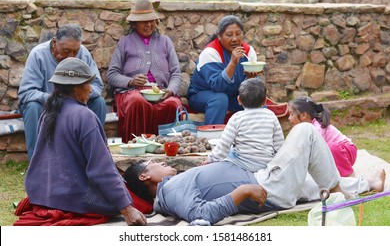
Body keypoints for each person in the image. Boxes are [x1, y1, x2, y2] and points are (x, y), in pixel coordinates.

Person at [124, 122, 385, 225]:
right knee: (305, 131)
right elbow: (200, 215)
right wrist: (242, 191)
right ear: (146, 176)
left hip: (263, 180)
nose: (161, 164)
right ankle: (340, 194)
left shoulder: (175, 185)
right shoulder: (170, 190)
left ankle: (365, 183)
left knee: (311, 176)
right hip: (265, 188)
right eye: (154, 164)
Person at [15, 58, 146, 226]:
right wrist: (126, 208)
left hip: (43, 194)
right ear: (77, 88)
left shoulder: (47, 113)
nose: (90, 90)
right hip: (71, 198)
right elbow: (101, 169)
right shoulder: (84, 116)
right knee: (134, 199)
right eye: (88, 84)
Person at [18, 24, 106, 161]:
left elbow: (97, 86)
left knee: (99, 103)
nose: (70, 56)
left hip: (76, 105)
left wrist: (77, 97)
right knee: (32, 107)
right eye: (66, 51)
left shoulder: (83, 53)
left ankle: (93, 156)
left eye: (75, 52)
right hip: (47, 105)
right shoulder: (38, 54)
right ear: (54, 42)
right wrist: (56, 99)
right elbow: (26, 93)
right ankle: (38, 161)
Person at [107, 0, 182, 143]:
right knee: (137, 102)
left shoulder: (165, 42)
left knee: (174, 104)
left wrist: (170, 90)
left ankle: (165, 147)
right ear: (134, 23)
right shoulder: (125, 43)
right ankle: (136, 147)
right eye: (143, 21)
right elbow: (112, 74)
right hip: (131, 92)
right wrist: (131, 81)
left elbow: (176, 73)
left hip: (160, 92)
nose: (148, 25)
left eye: (151, 20)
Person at [186, 15, 260, 125]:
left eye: (238, 34)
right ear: (219, 36)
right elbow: (217, 86)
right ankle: (212, 137)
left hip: (232, 96)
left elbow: (251, 85)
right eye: (229, 35)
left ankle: (256, 135)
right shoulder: (211, 52)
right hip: (203, 95)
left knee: (257, 97)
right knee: (219, 99)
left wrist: (251, 78)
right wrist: (233, 62)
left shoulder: (248, 51)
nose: (235, 39)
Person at [202, 78, 284, 172]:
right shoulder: (271, 116)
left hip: (243, 164)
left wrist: (211, 159)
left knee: (228, 156)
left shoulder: (236, 118)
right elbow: (279, 144)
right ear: (265, 101)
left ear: (239, 100)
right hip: (266, 164)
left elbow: (224, 145)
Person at [288, 96, 357, 177]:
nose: (289, 118)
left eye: (292, 114)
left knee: (330, 148)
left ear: (303, 115)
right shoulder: (302, 130)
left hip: (346, 152)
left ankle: (349, 175)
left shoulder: (316, 129)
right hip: (333, 156)